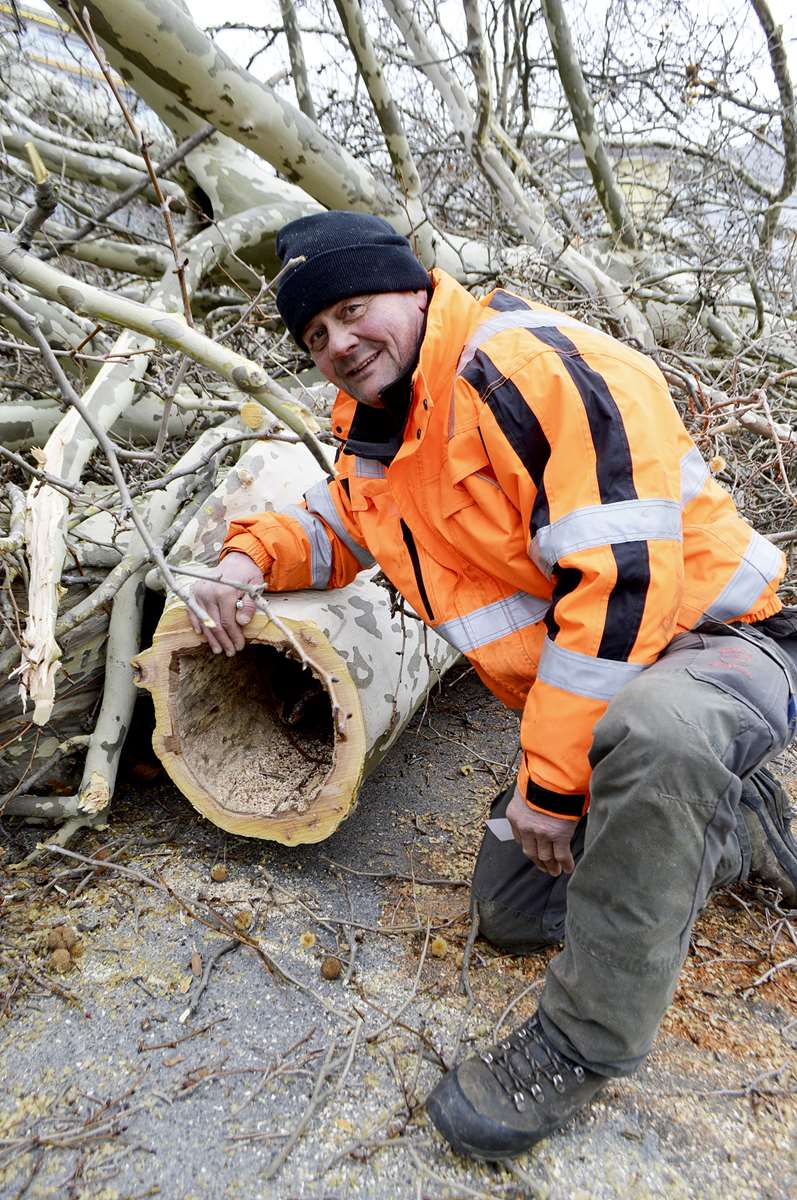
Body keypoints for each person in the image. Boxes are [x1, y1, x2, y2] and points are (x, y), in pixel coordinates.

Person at [191, 211, 797, 1161]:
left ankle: (580, 1046)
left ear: (415, 286)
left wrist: (552, 785)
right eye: (314, 335)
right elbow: (338, 527)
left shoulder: (531, 369)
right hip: (605, 694)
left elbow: (625, 590)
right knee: (511, 915)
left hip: (717, 646)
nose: (339, 343)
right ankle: (727, 825)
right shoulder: (378, 436)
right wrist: (241, 563)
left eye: (353, 309)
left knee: (659, 735)